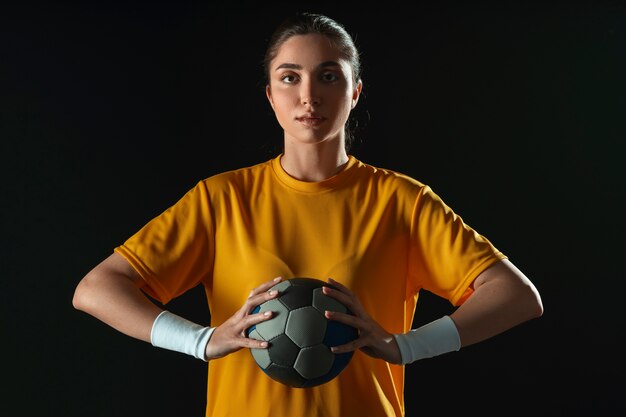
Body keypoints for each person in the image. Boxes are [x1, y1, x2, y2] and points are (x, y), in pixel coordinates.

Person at [73, 12, 543, 417]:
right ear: (270, 95)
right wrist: (201, 340)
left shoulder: (401, 201)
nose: (309, 96)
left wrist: (407, 347)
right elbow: (96, 289)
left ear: (355, 91)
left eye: (328, 75)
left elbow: (517, 295)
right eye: (290, 76)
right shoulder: (222, 199)